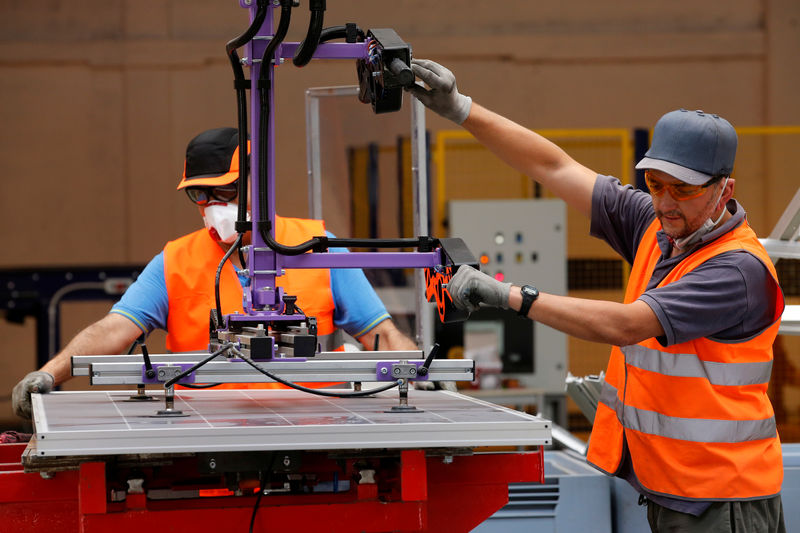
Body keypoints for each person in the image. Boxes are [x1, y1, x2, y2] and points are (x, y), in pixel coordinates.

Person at [408, 59, 786, 532]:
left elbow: (626, 325)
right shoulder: (658, 227)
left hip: (722, 498)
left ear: (724, 189)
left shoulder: (737, 269)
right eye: (655, 185)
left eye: (683, 190)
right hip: (675, 487)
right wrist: (461, 108)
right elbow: (554, 166)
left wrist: (508, 295)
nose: (666, 202)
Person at [13, 127, 417, 418]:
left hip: (314, 429)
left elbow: (380, 332)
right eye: (199, 194)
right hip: (203, 436)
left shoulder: (316, 246)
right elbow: (115, 329)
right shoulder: (176, 260)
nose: (211, 206)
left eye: (224, 192)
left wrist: (420, 375)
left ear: (258, 186)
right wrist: (49, 374)